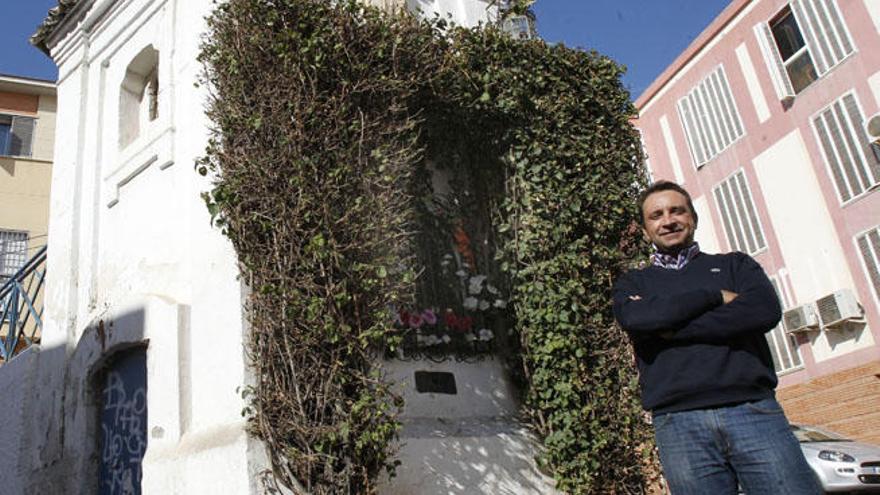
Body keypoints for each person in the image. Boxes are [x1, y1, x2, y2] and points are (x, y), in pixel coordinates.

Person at [612, 180, 820, 494]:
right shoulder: (633, 283)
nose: (668, 220)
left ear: (693, 218)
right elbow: (637, 318)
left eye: (676, 211)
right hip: (678, 424)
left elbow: (762, 311)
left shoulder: (735, 265)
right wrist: (713, 295)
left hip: (752, 411)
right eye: (656, 215)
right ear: (645, 230)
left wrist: (669, 329)